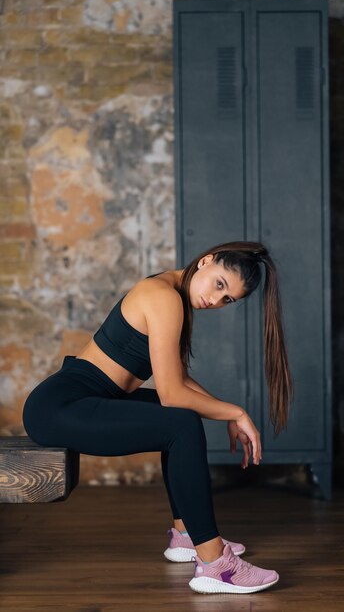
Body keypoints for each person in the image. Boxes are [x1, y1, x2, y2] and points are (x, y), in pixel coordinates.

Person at [22, 240, 293, 594]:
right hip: (59, 407)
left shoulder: (171, 292)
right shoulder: (163, 296)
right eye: (219, 284)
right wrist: (236, 412)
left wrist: (224, 411)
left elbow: (177, 379)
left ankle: (185, 535)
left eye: (227, 299)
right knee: (180, 424)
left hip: (85, 399)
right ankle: (214, 563)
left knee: (182, 418)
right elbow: (171, 393)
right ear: (206, 261)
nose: (214, 300)